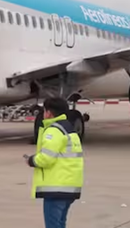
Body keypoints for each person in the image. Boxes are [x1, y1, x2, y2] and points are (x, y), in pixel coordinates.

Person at [25, 97, 84, 228]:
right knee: (60, 224)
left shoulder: (53, 130)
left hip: (56, 188)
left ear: (49, 113)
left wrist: (31, 160)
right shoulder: (70, 129)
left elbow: (46, 159)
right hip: (70, 186)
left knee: (53, 225)